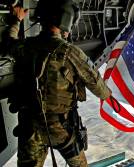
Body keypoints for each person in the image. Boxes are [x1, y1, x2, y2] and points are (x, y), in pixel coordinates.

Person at [2, 0, 111, 166]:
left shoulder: (26, 46)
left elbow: (8, 44)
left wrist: (17, 20)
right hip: (60, 129)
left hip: (29, 128)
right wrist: (109, 95)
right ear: (66, 21)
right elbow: (99, 89)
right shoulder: (71, 52)